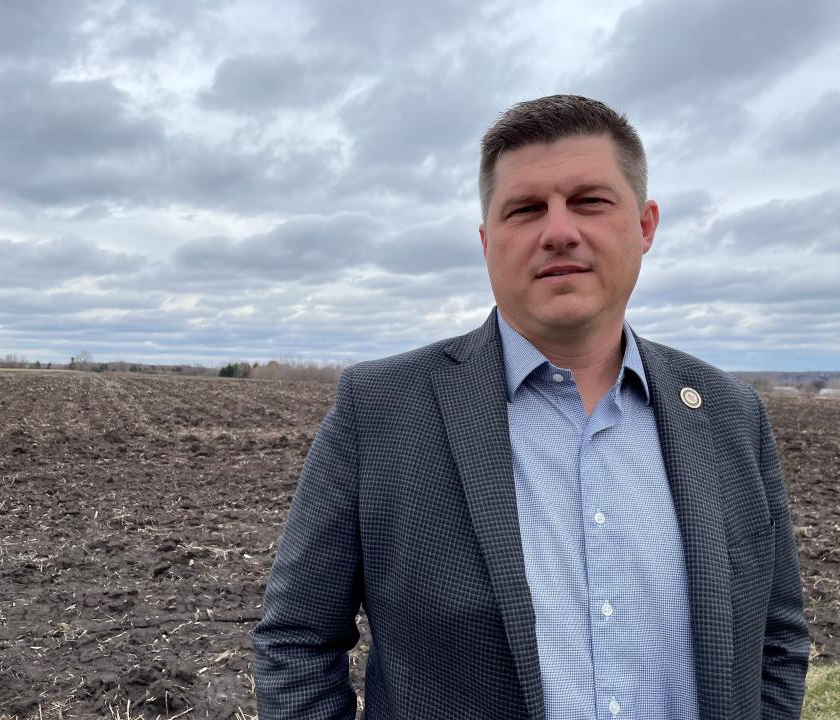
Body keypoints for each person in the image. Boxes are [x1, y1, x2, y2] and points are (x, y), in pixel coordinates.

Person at [252, 94, 809, 719]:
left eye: (590, 202)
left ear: (646, 225)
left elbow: (777, 640)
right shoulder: (380, 411)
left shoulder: (730, 413)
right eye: (525, 210)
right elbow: (297, 641)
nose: (559, 231)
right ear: (488, 241)